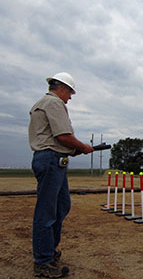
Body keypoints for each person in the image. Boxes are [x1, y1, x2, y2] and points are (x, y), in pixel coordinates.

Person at [28, 72, 94, 278]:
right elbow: (63, 136)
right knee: (47, 211)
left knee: (61, 206)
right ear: (63, 88)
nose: (70, 97)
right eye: (70, 93)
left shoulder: (42, 103)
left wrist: (76, 149)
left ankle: (48, 251)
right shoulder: (54, 103)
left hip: (52, 159)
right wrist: (82, 147)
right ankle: (43, 260)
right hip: (50, 160)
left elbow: (58, 140)